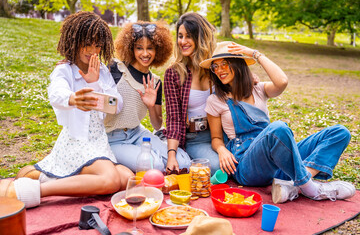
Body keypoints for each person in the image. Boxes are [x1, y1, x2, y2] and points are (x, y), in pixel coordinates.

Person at [0, 11, 133, 208]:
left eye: (98, 44)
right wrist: (72, 99)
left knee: (127, 180)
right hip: (76, 142)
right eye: (87, 42)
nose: (92, 49)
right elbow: (56, 94)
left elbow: (117, 105)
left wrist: (96, 84)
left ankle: (48, 177)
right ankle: (34, 191)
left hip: (99, 143)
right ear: (75, 40)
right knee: (111, 180)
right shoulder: (64, 70)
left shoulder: (102, 71)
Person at [201, 41, 356, 203]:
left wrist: (255, 54)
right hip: (246, 166)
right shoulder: (216, 100)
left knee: (340, 133)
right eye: (215, 66)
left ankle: (293, 185)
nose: (219, 70)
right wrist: (222, 150)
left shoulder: (259, 89)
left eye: (224, 64)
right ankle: (311, 188)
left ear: (238, 64)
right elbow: (216, 138)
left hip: (277, 162)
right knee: (278, 129)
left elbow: (282, 81)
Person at [105, 20, 191, 172]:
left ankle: (150, 152)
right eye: (139, 48)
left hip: (137, 133)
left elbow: (157, 125)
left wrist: (151, 106)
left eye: (150, 48)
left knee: (183, 163)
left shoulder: (155, 82)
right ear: (131, 49)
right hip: (113, 137)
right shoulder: (115, 69)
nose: (145, 54)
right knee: (154, 165)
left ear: (158, 50)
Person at [163, 12, 220, 174]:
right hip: (196, 138)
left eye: (188, 36)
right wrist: (171, 155)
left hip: (222, 134)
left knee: (241, 160)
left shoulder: (216, 67)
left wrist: (251, 79)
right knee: (215, 167)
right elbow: (173, 118)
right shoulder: (174, 73)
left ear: (200, 38)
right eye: (180, 36)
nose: (182, 41)